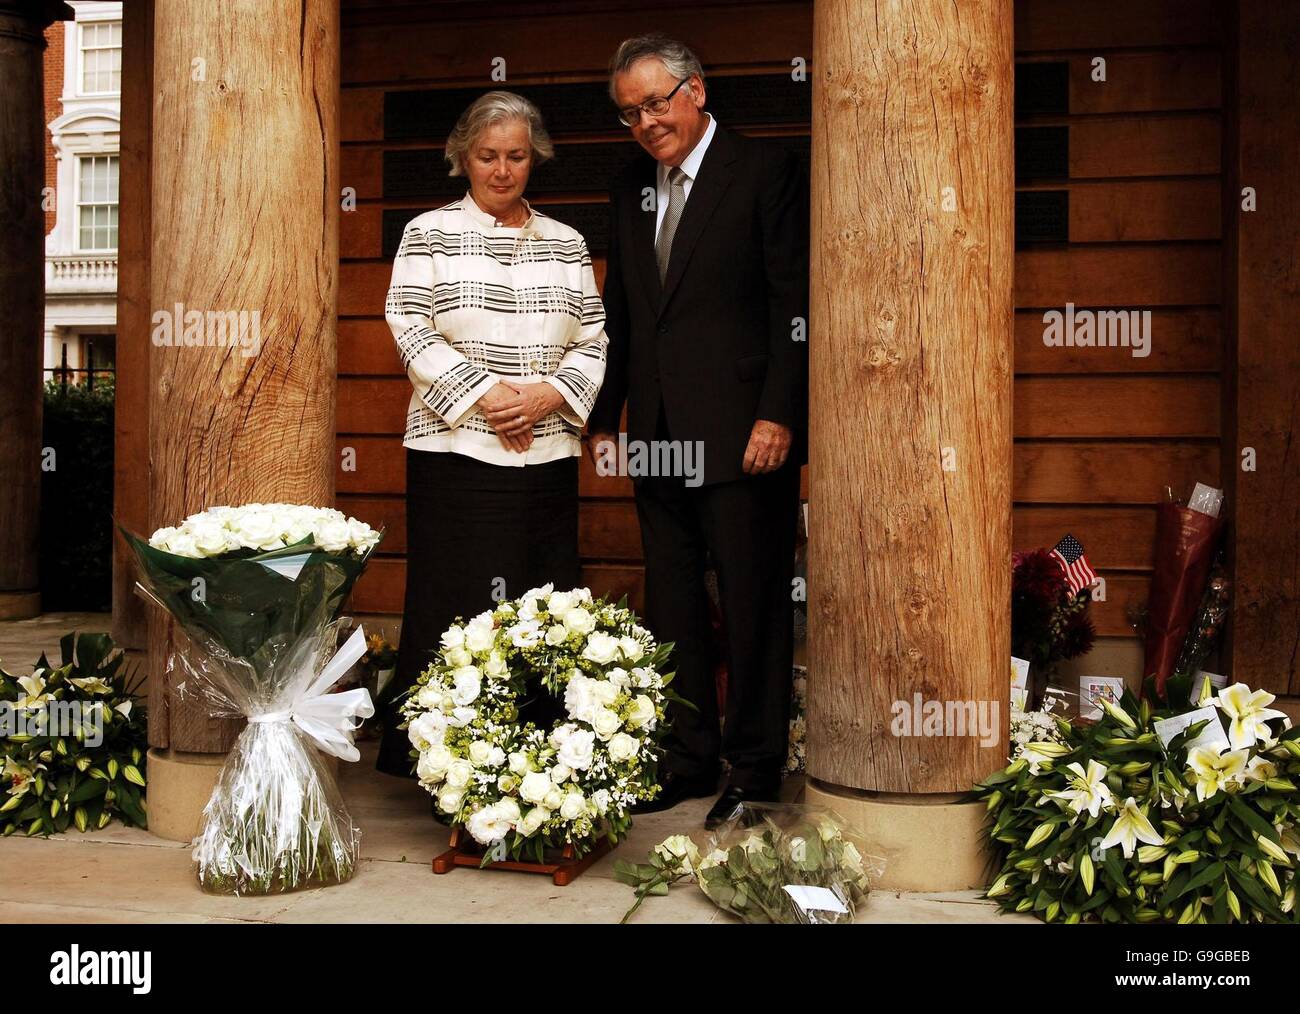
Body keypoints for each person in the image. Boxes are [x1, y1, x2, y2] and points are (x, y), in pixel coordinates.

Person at [587, 34, 809, 829]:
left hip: (745, 430)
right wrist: (604, 416)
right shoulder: (628, 186)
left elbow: (793, 302)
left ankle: (754, 768)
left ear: (697, 91)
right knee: (673, 602)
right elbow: (623, 311)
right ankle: (687, 757)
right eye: (630, 113)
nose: (646, 122)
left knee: (751, 603)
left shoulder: (766, 169)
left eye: (656, 103)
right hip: (655, 430)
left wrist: (780, 412)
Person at [376, 91, 608, 779]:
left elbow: (594, 338)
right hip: (454, 455)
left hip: (547, 454)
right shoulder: (427, 233)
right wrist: (488, 396)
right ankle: (447, 766)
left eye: (516, 156)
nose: (502, 170)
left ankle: (537, 762)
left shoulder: (567, 241)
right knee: (455, 601)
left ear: (534, 159)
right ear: (463, 158)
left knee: (541, 606)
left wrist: (547, 397)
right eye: (487, 156)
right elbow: (409, 324)